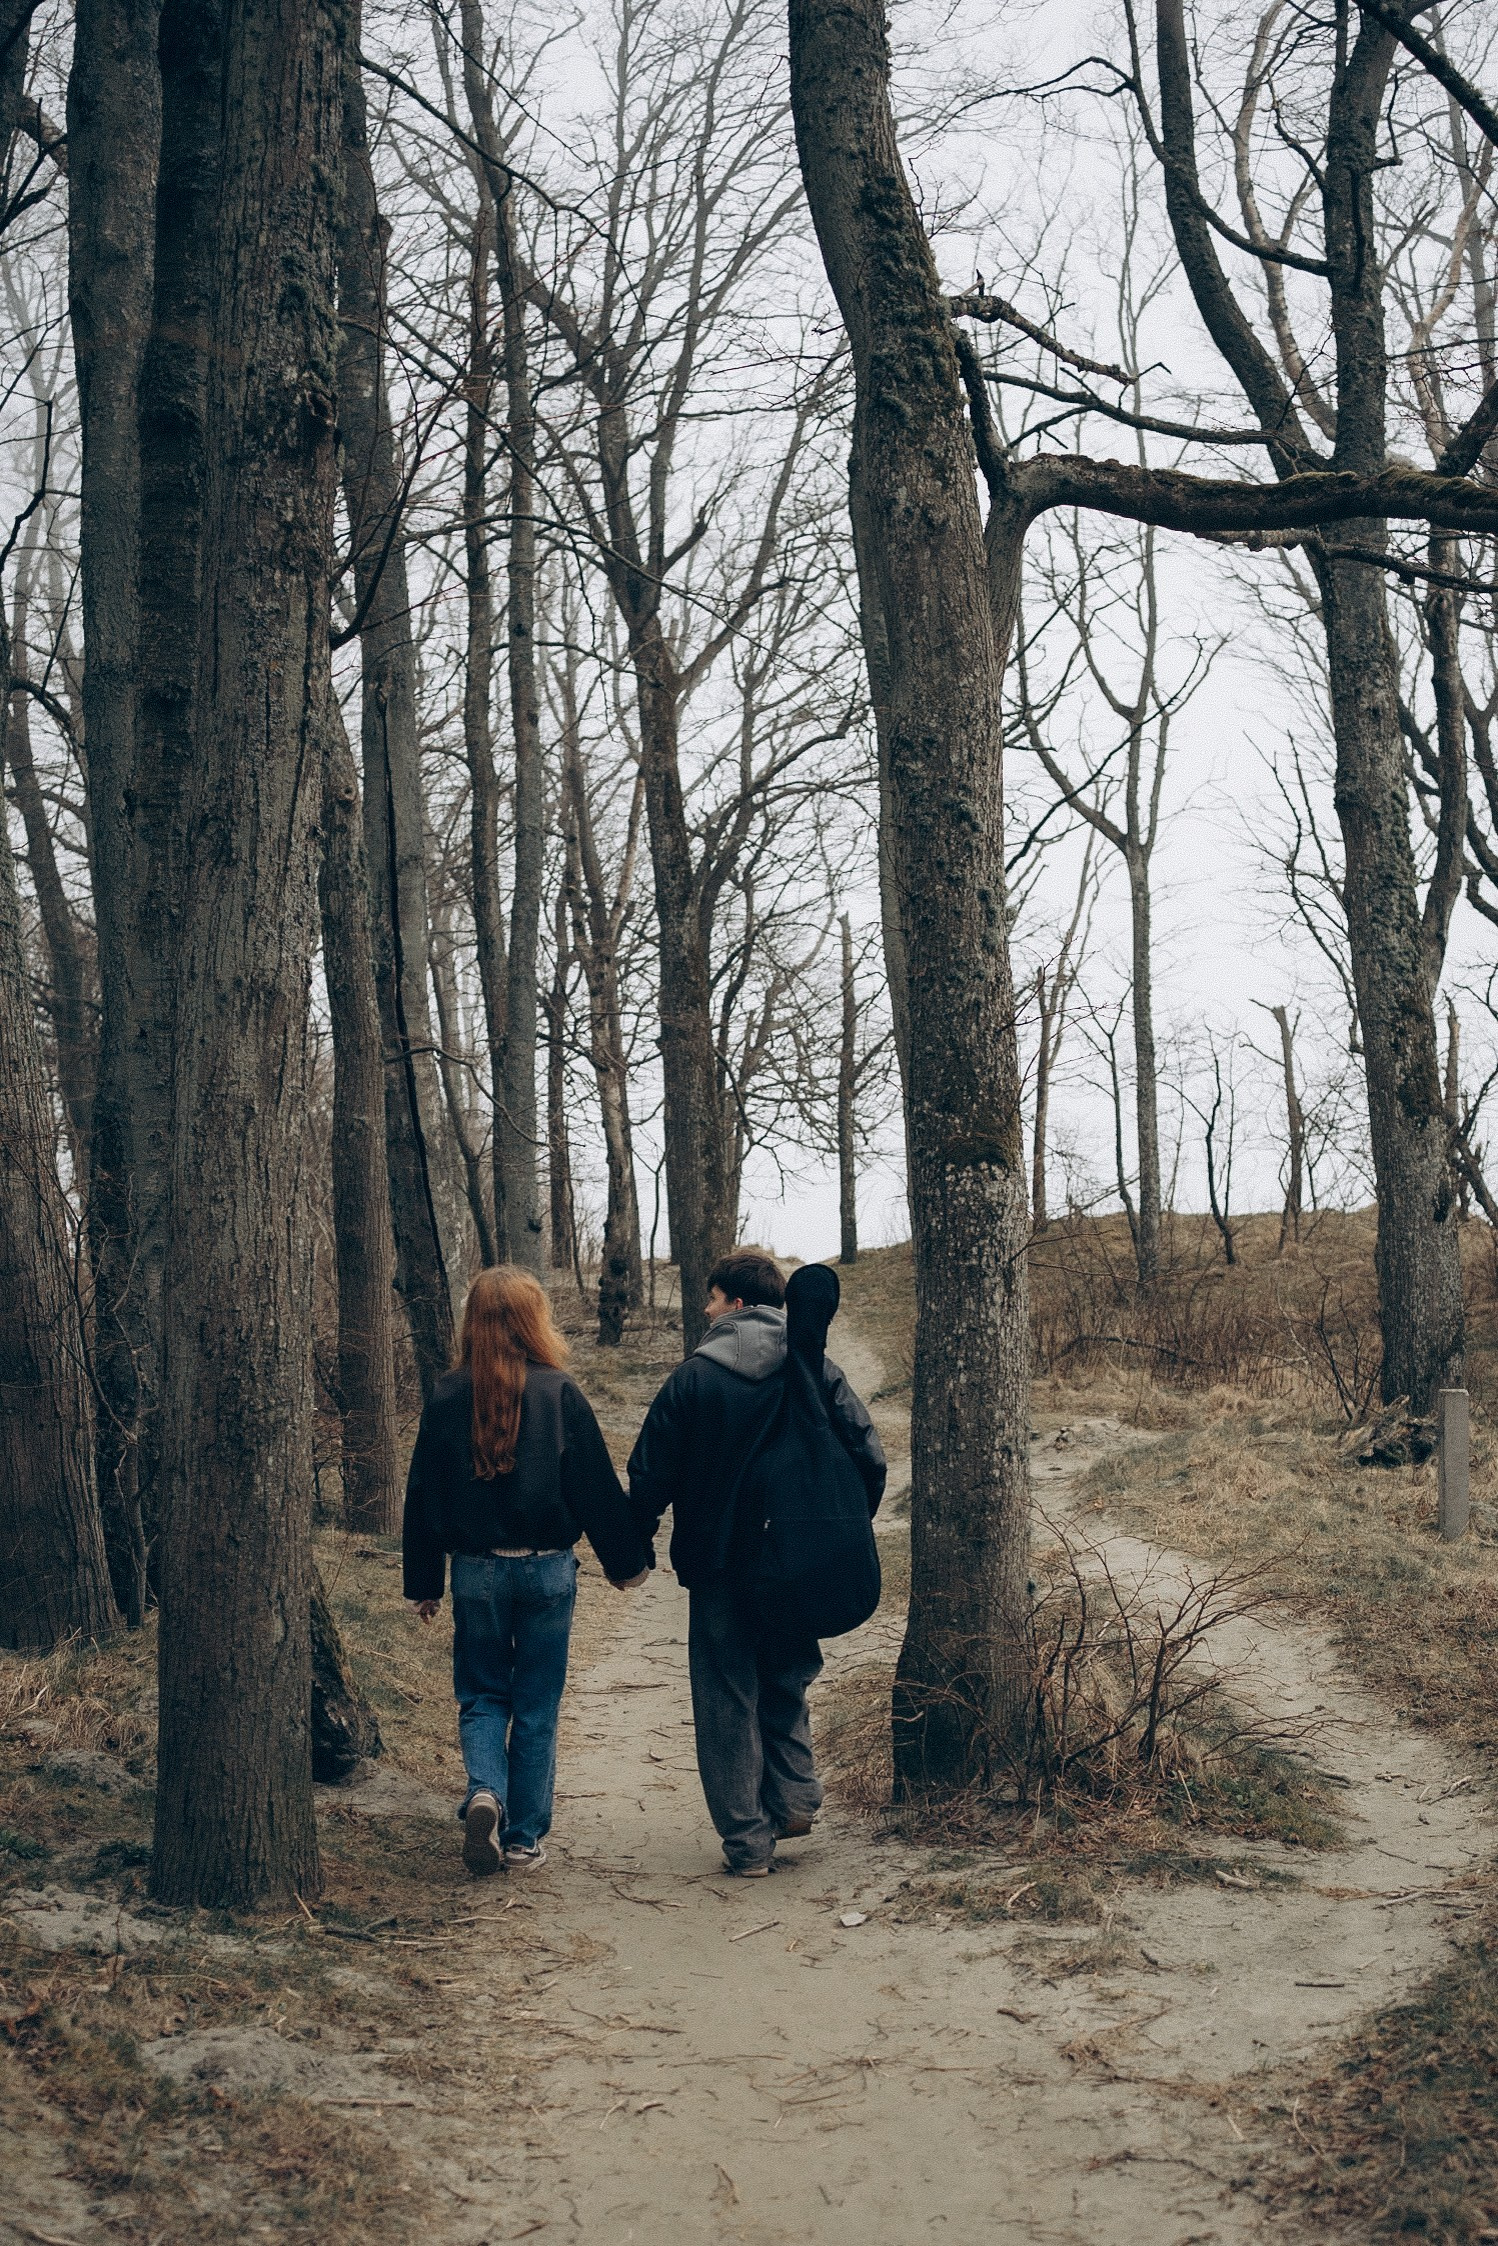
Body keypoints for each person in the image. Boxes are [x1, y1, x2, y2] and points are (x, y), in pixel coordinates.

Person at [628, 1250, 886, 1877]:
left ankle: (747, 1843)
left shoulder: (693, 1380)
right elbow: (868, 1456)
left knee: (725, 1696)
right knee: (787, 1672)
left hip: (718, 1567)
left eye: (713, 1299)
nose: (707, 1310)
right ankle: (795, 1797)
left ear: (737, 1304)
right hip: (795, 1558)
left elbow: (648, 1475)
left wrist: (632, 1545)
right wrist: (837, 1529)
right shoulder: (814, 1367)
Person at [403, 1265, 650, 1877]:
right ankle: (521, 1839)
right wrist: (624, 1564)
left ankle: (485, 1789)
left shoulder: (445, 1396)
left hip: (476, 1572)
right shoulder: (558, 1392)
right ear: (532, 1321)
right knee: (537, 1704)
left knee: (483, 1693)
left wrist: (424, 1583)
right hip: (546, 1572)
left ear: (472, 1324)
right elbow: (593, 1485)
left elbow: (423, 1496)